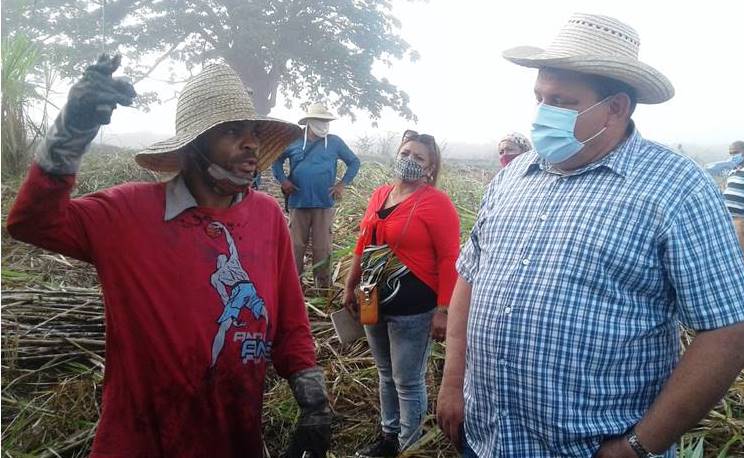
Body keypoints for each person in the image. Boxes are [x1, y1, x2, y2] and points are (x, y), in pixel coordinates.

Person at [436, 14, 744, 458]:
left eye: (562, 101)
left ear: (616, 108)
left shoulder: (675, 188)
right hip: (488, 437)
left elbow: (732, 329)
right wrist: (453, 382)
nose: (542, 113)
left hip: (593, 449)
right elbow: (470, 277)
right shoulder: (514, 178)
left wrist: (636, 446)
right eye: (539, 97)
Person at [7, 57, 332, 458]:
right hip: (144, 442)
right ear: (194, 146)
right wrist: (71, 132)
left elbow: (289, 323)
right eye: (232, 131)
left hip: (235, 440)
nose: (250, 142)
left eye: (252, 132)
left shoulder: (266, 216)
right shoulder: (128, 213)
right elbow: (32, 222)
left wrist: (312, 398)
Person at [343, 131, 461, 457]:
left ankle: (410, 447)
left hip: (414, 308)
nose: (409, 160)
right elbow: (362, 243)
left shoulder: (436, 203)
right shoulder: (380, 194)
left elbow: (450, 257)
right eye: (405, 152)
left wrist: (443, 309)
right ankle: (388, 438)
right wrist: (350, 284)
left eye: (418, 157)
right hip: (372, 300)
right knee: (385, 375)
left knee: (407, 381)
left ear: (430, 166)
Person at [272, 103, 361, 290]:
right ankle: (293, 286)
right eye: (319, 121)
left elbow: (354, 162)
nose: (323, 124)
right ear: (309, 122)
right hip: (298, 202)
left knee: (322, 248)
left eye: (325, 121)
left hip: (323, 204)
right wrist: (283, 181)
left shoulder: (335, 142)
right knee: (296, 246)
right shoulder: (294, 141)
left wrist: (341, 184)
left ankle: (323, 287)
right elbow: (276, 160)